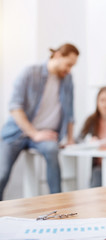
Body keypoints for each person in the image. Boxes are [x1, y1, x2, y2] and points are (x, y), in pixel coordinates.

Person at [0, 43, 79, 200]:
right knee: (2, 173)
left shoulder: (67, 80)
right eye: (68, 64)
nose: (69, 70)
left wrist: (70, 138)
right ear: (57, 55)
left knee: (52, 151)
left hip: (45, 135)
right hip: (17, 132)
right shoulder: (30, 73)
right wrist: (34, 133)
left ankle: (57, 203)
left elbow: (69, 112)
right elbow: (15, 107)